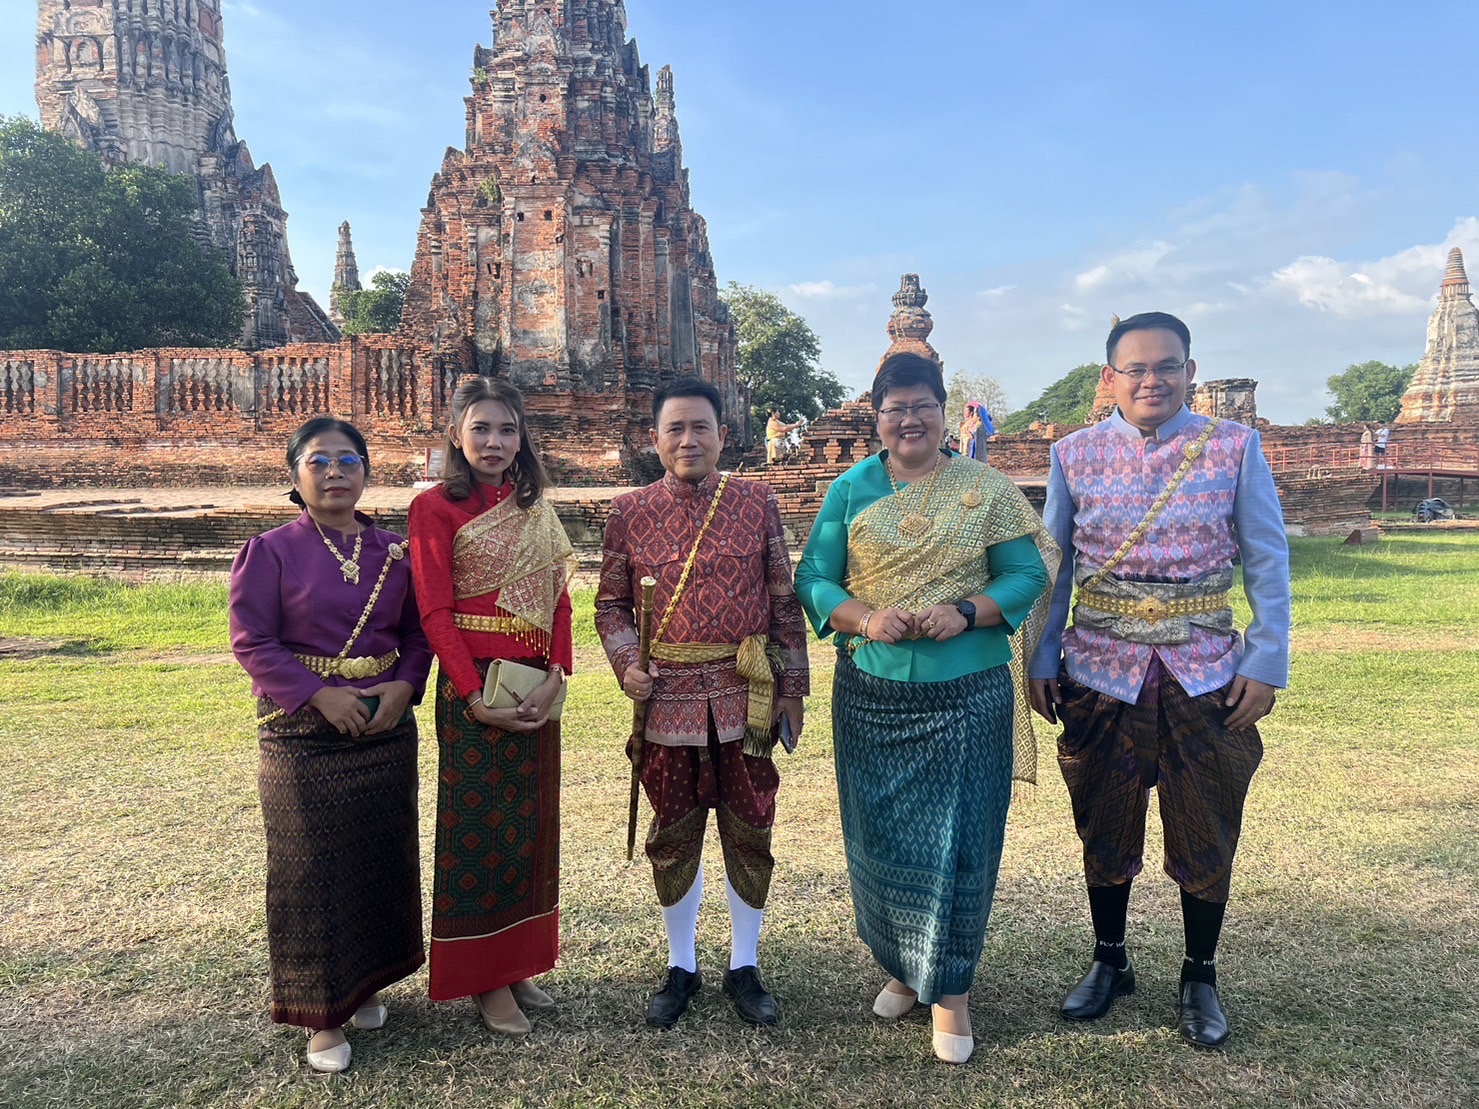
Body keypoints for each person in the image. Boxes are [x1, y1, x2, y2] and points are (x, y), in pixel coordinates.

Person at [1028, 311, 1291, 1050]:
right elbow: (1057, 568)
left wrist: (1266, 660)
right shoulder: (1073, 454)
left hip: (1203, 666)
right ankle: (1109, 960)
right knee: (1102, 818)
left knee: (1204, 818)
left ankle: (1198, 974)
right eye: (1135, 368)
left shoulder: (1233, 447)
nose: (1151, 379)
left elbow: (1266, 558)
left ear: (1190, 372)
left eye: (1166, 365)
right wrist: (1043, 657)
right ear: (1108, 377)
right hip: (1099, 665)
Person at [794, 352, 1056, 1065]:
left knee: (956, 844)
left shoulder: (984, 487)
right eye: (893, 408)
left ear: (947, 411)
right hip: (871, 695)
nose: (908, 419)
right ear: (875, 419)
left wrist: (969, 610)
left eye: (922, 405)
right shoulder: (849, 489)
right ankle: (903, 968)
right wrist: (859, 617)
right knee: (882, 840)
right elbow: (813, 574)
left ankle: (951, 993)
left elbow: (1026, 570)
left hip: (965, 696)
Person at [596, 377, 809, 1029]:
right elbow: (609, 604)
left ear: (723, 434)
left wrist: (792, 688)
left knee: (749, 828)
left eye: (700, 427)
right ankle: (681, 964)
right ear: (654, 439)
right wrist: (628, 662)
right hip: (666, 703)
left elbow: (781, 598)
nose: (688, 439)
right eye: (675, 429)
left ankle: (744, 963)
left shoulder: (756, 501)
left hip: (745, 694)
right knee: (675, 832)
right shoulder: (628, 511)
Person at [229, 418, 432, 1074]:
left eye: (349, 460)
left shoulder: (394, 552)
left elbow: (418, 634)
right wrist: (321, 696)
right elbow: (252, 641)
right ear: (295, 474)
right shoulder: (271, 550)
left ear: (367, 472)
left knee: (379, 857)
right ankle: (321, 1016)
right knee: (309, 869)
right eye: (319, 461)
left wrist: (402, 689)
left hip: (382, 729)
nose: (336, 471)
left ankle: (366, 984)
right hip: (302, 734)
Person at [407, 377, 575, 1036]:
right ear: (456, 435)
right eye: (480, 428)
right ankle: (482, 979)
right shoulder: (435, 509)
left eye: (507, 429)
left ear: (521, 437)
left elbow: (559, 599)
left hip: (534, 679)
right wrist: (472, 694)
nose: (495, 442)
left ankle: (515, 963)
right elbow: (433, 608)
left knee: (527, 830)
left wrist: (558, 674)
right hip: (473, 685)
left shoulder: (530, 505)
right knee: (475, 834)